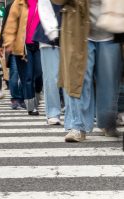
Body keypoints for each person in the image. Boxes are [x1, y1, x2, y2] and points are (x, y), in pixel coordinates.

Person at [52, 0, 122, 142]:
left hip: (111, 31)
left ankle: (107, 122)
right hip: (79, 30)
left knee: (109, 82)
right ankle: (78, 126)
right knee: (79, 79)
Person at [4, 0, 42, 116]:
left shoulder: (45, 3)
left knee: (39, 75)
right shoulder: (19, 3)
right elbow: (11, 23)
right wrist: (9, 42)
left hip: (40, 45)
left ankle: (35, 99)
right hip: (23, 46)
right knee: (27, 77)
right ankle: (31, 107)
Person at [35, 0, 63, 125]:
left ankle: (72, 110)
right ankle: (53, 112)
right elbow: (44, 7)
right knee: (51, 78)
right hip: (49, 36)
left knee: (71, 77)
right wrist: (53, 32)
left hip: (72, 34)